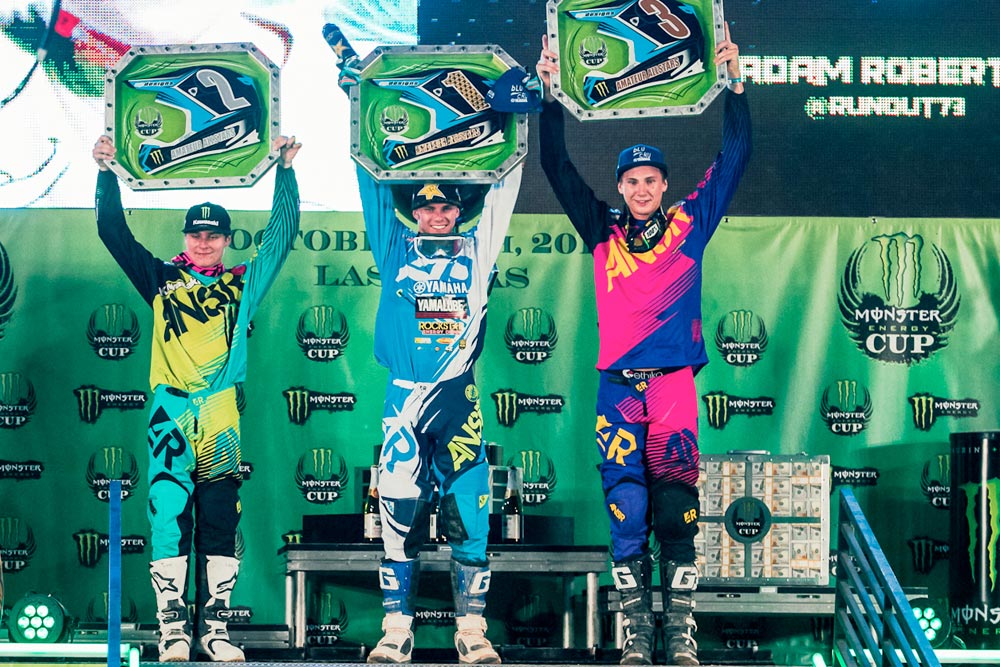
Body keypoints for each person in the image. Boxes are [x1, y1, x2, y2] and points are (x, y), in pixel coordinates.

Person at [535, 24, 751, 666]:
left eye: (651, 180)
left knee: (677, 507)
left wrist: (735, 85)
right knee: (626, 511)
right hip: (618, 389)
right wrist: (549, 96)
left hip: (673, 385)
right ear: (621, 187)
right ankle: (636, 635)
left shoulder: (691, 224)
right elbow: (556, 166)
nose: (640, 189)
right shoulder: (601, 229)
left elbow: (735, 156)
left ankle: (680, 634)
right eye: (631, 181)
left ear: (663, 184)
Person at [327, 25, 523, 663]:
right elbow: (369, 179)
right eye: (426, 208)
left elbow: (506, 186)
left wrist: (522, 114)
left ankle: (472, 632)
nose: (437, 216)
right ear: (413, 212)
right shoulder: (394, 248)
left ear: (458, 212)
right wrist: (356, 98)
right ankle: (396, 631)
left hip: (459, 400)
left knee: (469, 510)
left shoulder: (478, 250)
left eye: (446, 209)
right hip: (404, 400)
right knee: (399, 511)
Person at [92, 134, 302, 662]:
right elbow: (112, 231)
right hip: (171, 409)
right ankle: (173, 632)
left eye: (214, 235)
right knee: (168, 514)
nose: (204, 242)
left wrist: (285, 173)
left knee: (219, 519)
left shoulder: (242, 285)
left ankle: (214, 630)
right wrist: (105, 173)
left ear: (227, 239)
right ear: (185, 236)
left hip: (220, 409)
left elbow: (281, 238)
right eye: (196, 233)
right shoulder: (160, 279)